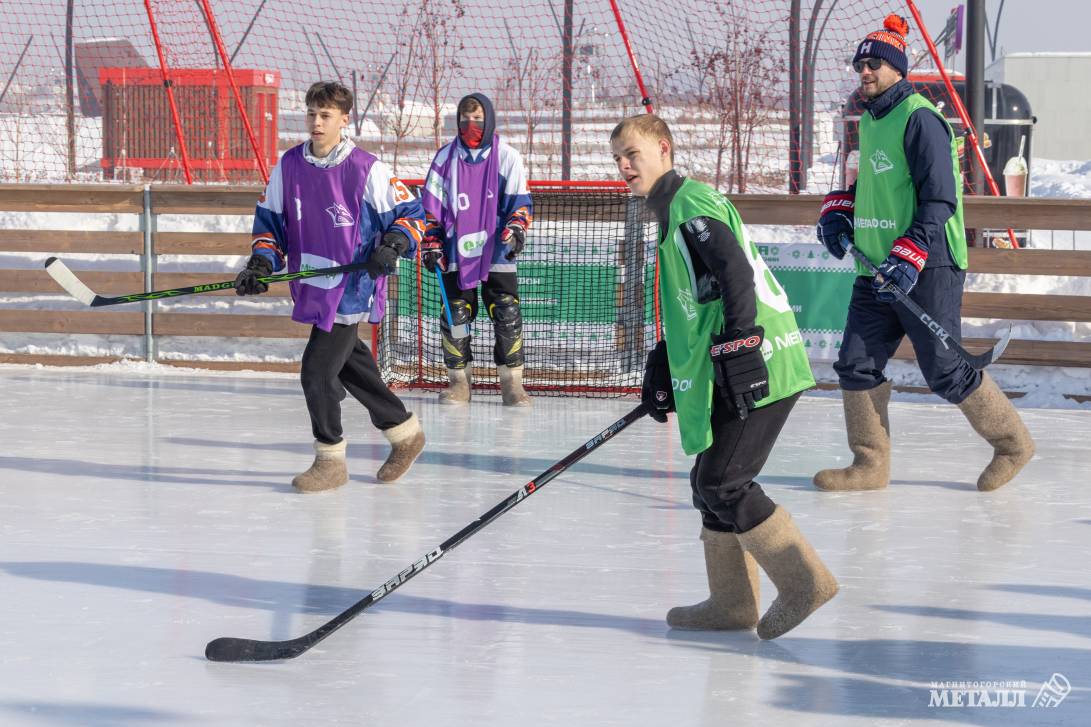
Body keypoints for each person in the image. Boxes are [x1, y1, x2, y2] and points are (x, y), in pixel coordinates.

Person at [610, 114, 838, 640]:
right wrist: (665, 361)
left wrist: (740, 347)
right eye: (617, 157)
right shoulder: (673, 210)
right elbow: (701, 298)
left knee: (724, 482)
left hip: (762, 362)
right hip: (740, 358)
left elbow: (735, 272)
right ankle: (733, 603)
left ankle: (805, 581)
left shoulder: (690, 205)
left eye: (632, 153)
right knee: (706, 482)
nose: (623, 165)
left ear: (663, 149)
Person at [815, 14, 1034, 492]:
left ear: (897, 68)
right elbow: (874, 185)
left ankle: (1012, 444)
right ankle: (869, 465)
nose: (864, 71)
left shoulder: (920, 119)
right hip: (876, 264)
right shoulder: (872, 119)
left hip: (927, 263)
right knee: (855, 364)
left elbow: (940, 198)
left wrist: (911, 250)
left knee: (944, 369)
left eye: (873, 63)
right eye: (860, 65)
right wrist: (839, 211)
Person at [236, 81, 427, 492]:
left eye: (325, 115)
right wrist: (260, 262)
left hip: (352, 284)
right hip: (313, 283)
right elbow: (270, 224)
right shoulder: (288, 166)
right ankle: (405, 434)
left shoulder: (366, 168)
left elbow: (412, 214)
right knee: (350, 364)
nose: (316, 122)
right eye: (311, 113)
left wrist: (393, 244)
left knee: (317, 372)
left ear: (344, 120)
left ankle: (330, 459)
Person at [420, 93, 534, 406]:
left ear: (490, 121)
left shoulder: (507, 156)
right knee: (455, 313)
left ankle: (512, 384)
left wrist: (517, 228)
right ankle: (459, 383)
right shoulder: (445, 159)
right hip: (457, 250)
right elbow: (431, 209)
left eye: (478, 120)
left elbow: (520, 202)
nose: (471, 126)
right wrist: (432, 241)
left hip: (495, 248)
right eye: (465, 120)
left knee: (507, 312)